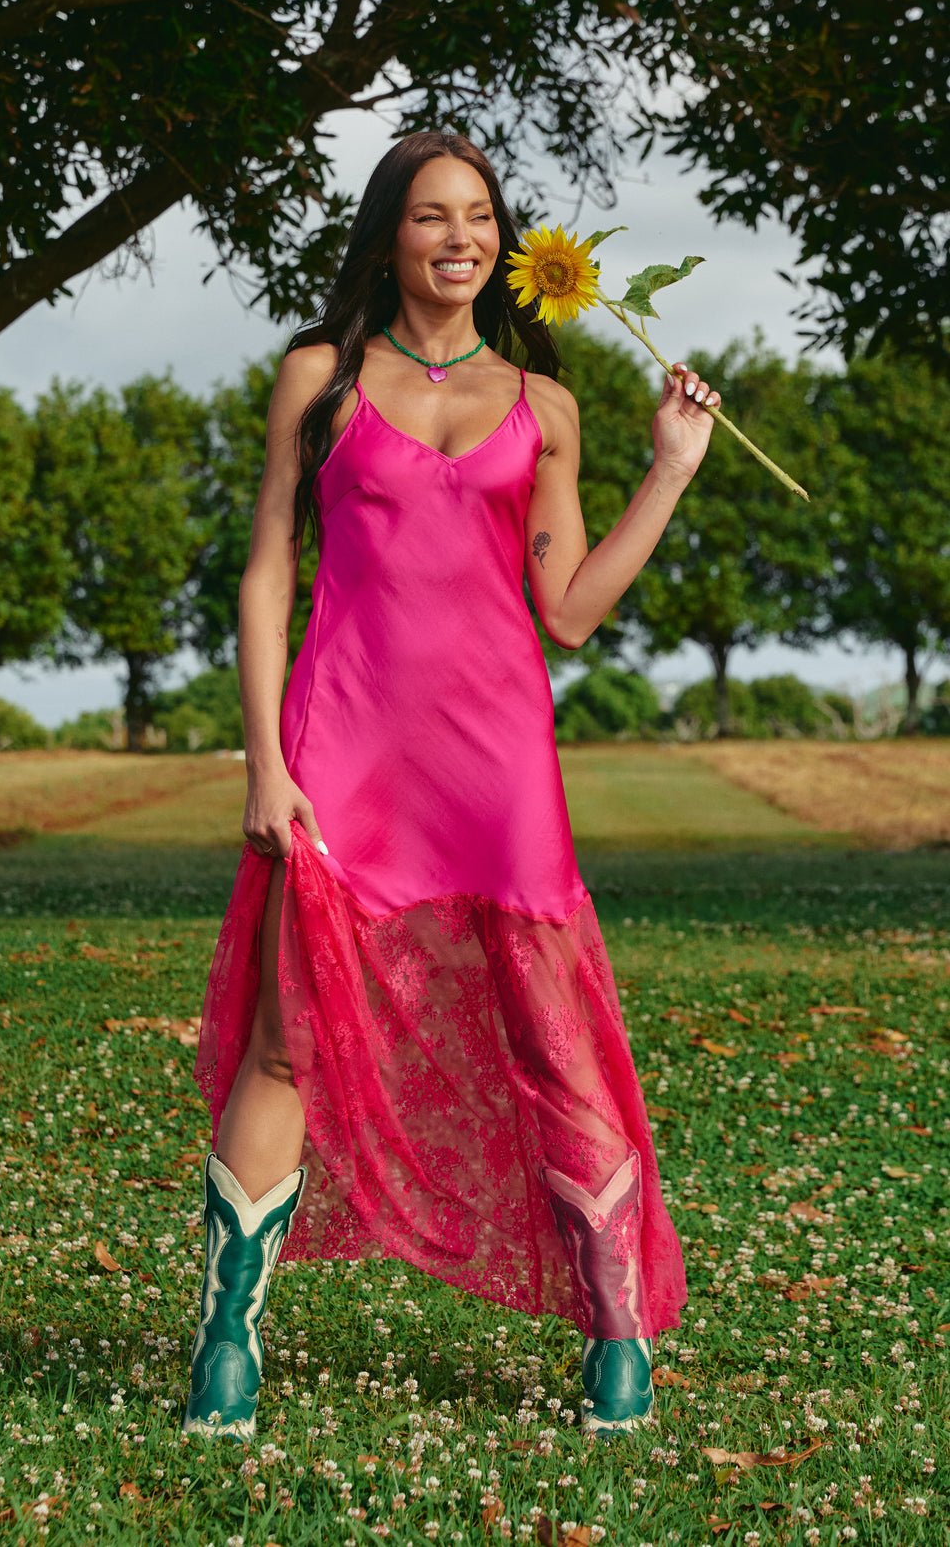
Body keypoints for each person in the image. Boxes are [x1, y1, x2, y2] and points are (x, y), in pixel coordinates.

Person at [181, 130, 720, 1445]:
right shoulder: (318, 377)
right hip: (341, 747)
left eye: (480, 216)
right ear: (390, 237)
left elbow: (571, 609)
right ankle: (225, 1344)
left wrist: (672, 468)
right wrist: (265, 759)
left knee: (554, 1035)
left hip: (497, 765)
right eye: (432, 217)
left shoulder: (546, 406)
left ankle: (617, 1338)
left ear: (504, 242)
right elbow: (266, 568)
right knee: (286, 1037)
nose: (460, 238)